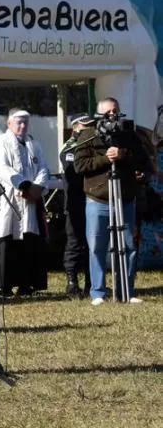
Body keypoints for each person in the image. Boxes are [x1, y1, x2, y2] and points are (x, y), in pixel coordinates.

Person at [73, 97, 152, 305]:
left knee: (128, 246)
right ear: (99, 114)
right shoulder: (88, 135)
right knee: (97, 246)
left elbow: (143, 160)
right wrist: (105, 158)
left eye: (115, 110)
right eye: (108, 112)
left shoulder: (128, 134)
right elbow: (79, 166)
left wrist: (123, 154)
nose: (112, 115)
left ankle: (127, 289)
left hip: (124, 199)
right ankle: (98, 292)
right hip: (97, 200)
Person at [0, 110, 50, 297]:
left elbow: (43, 168)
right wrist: (22, 184)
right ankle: (4, 285)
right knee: (7, 240)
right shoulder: (0, 142)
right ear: (9, 123)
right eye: (19, 122)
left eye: (25, 122)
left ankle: (26, 284)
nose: (23, 126)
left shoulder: (33, 144)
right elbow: (3, 168)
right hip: (10, 198)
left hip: (30, 200)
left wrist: (37, 188)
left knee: (28, 242)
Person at [59, 114, 94, 298]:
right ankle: (72, 283)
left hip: (92, 199)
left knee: (92, 243)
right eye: (85, 126)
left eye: (91, 125)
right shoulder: (70, 147)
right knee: (75, 243)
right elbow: (76, 170)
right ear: (75, 127)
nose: (89, 129)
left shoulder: (93, 144)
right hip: (74, 203)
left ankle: (91, 281)